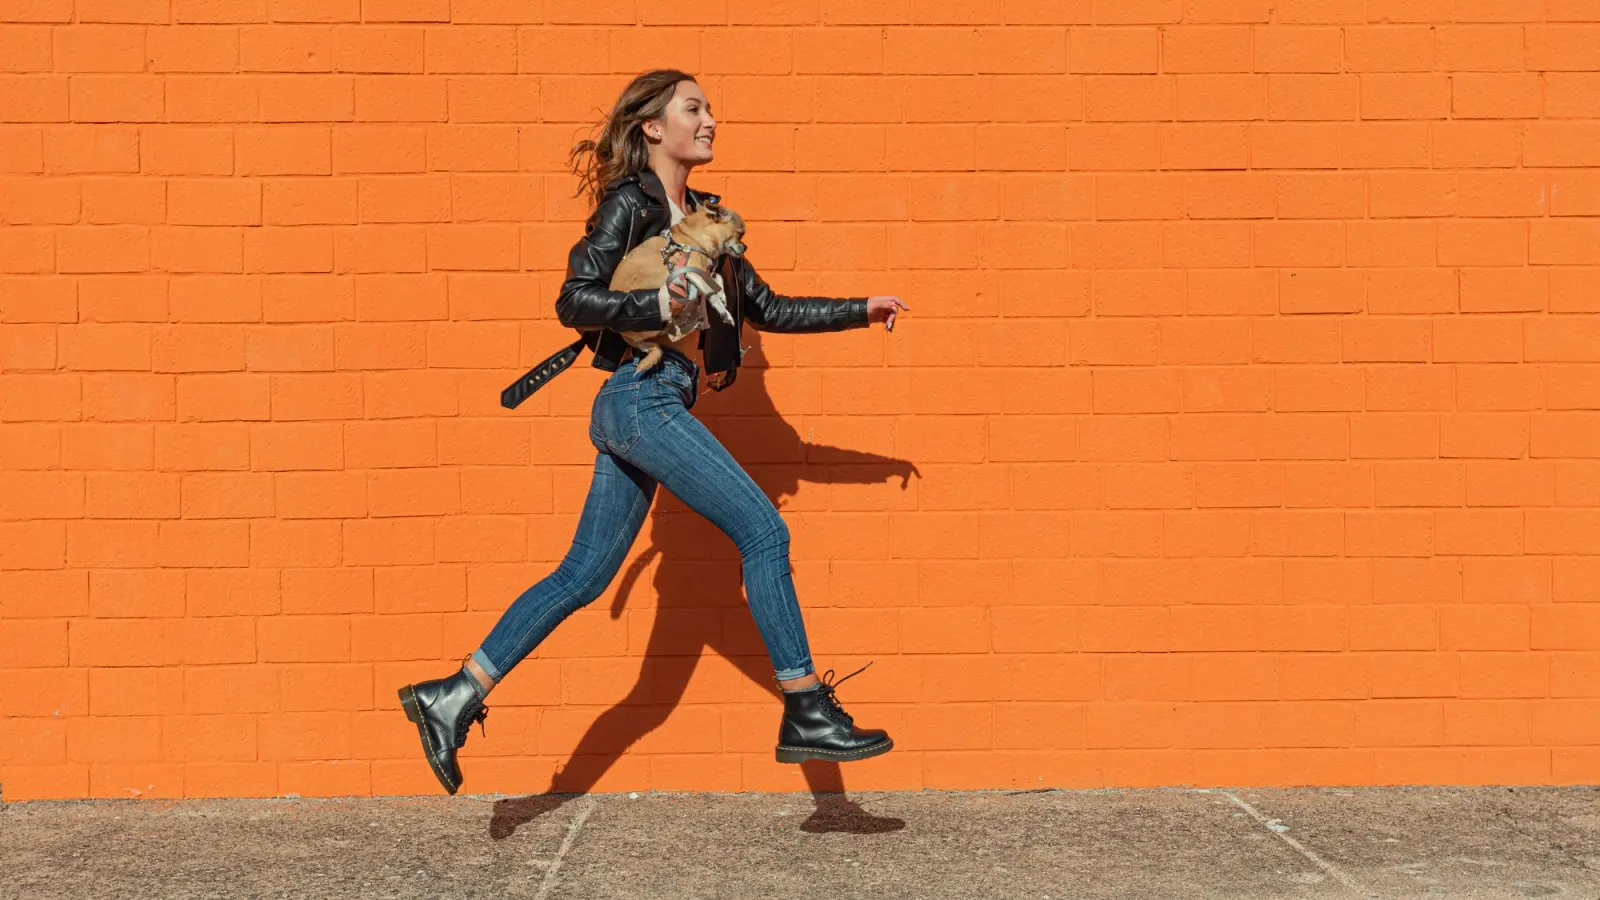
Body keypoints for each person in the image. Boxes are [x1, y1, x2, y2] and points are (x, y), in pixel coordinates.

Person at [398, 68, 910, 796]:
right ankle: (804, 709)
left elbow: (767, 307)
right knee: (765, 534)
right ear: (653, 128)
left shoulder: (707, 217)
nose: (709, 122)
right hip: (643, 396)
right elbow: (574, 299)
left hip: (647, 399)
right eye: (693, 109)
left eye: (710, 111)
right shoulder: (628, 207)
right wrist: (654, 296)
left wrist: (860, 308)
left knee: (581, 576)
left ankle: (453, 694)